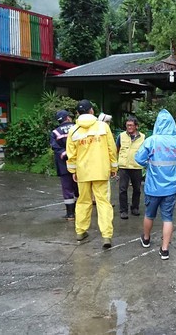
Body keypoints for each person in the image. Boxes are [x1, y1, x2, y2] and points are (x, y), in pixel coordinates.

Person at [66, 99, 118, 248]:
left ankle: (80, 231)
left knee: (83, 201)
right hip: (101, 171)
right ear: (92, 111)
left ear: (77, 113)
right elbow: (111, 149)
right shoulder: (103, 127)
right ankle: (106, 236)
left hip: (83, 172)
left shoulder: (73, 130)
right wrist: (114, 168)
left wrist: (73, 171)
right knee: (103, 202)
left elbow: (71, 154)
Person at [134, 109, 176, 260]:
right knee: (167, 218)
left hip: (153, 187)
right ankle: (164, 250)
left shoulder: (151, 140)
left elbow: (138, 158)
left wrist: (147, 164)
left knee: (149, 215)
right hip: (170, 188)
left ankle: (146, 239)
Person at [50, 110, 79, 221]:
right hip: (79, 163)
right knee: (80, 188)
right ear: (68, 118)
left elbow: (55, 147)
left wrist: (66, 154)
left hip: (64, 165)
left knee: (67, 189)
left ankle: (70, 214)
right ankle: (81, 212)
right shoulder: (77, 128)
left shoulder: (55, 132)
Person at [116, 116, 145, 219]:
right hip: (124, 166)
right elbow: (117, 149)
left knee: (137, 189)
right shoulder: (121, 136)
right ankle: (123, 210)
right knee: (122, 189)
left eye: (131, 125)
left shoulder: (143, 137)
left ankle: (135, 208)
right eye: (127, 125)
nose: (129, 127)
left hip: (137, 166)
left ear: (136, 126)